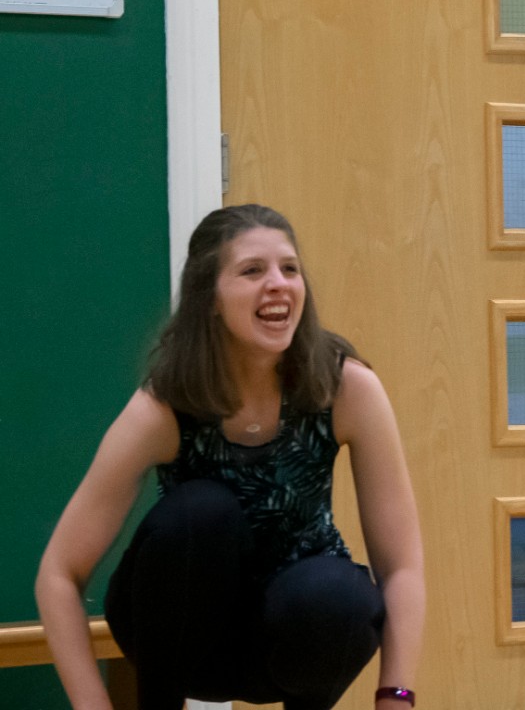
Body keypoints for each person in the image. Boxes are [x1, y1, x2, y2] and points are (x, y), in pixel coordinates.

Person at [34, 205, 425, 710]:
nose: (279, 284)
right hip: (183, 644)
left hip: (291, 640)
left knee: (340, 594)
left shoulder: (345, 387)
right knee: (202, 513)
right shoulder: (163, 406)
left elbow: (402, 567)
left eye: (290, 268)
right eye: (251, 271)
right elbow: (58, 574)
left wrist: (396, 696)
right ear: (211, 300)